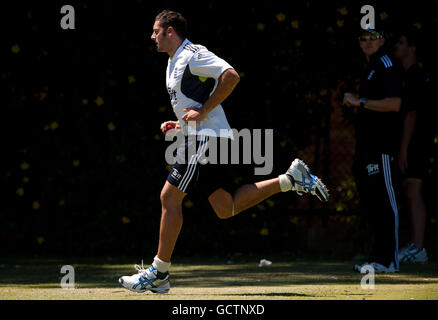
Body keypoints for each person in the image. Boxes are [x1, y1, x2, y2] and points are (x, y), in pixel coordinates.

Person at [118, 10, 329, 293]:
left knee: (169, 197)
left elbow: (230, 76)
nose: (151, 36)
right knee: (225, 208)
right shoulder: (172, 62)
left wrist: (202, 111)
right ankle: (290, 179)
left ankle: (159, 273)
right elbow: (194, 103)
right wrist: (180, 125)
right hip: (203, 136)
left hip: (207, 139)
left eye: (156, 31)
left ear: (170, 31)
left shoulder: (192, 53)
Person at [343, 26, 403, 273]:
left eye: (373, 37)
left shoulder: (386, 64)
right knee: (372, 203)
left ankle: (389, 260)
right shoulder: (369, 67)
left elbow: (395, 104)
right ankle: (378, 259)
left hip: (382, 147)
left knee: (386, 202)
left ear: (382, 40)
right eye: (363, 38)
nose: (367, 42)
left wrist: (361, 102)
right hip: (366, 147)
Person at [394, 30, 430, 263]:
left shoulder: (415, 75)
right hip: (416, 141)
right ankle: (414, 245)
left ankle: (418, 248)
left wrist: (404, 147)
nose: (396, 46)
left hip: (418, 142)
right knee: (408, 189)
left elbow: (412, 114)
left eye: (400, 41)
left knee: (413, 189)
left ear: (412, 48)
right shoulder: (408, 75)